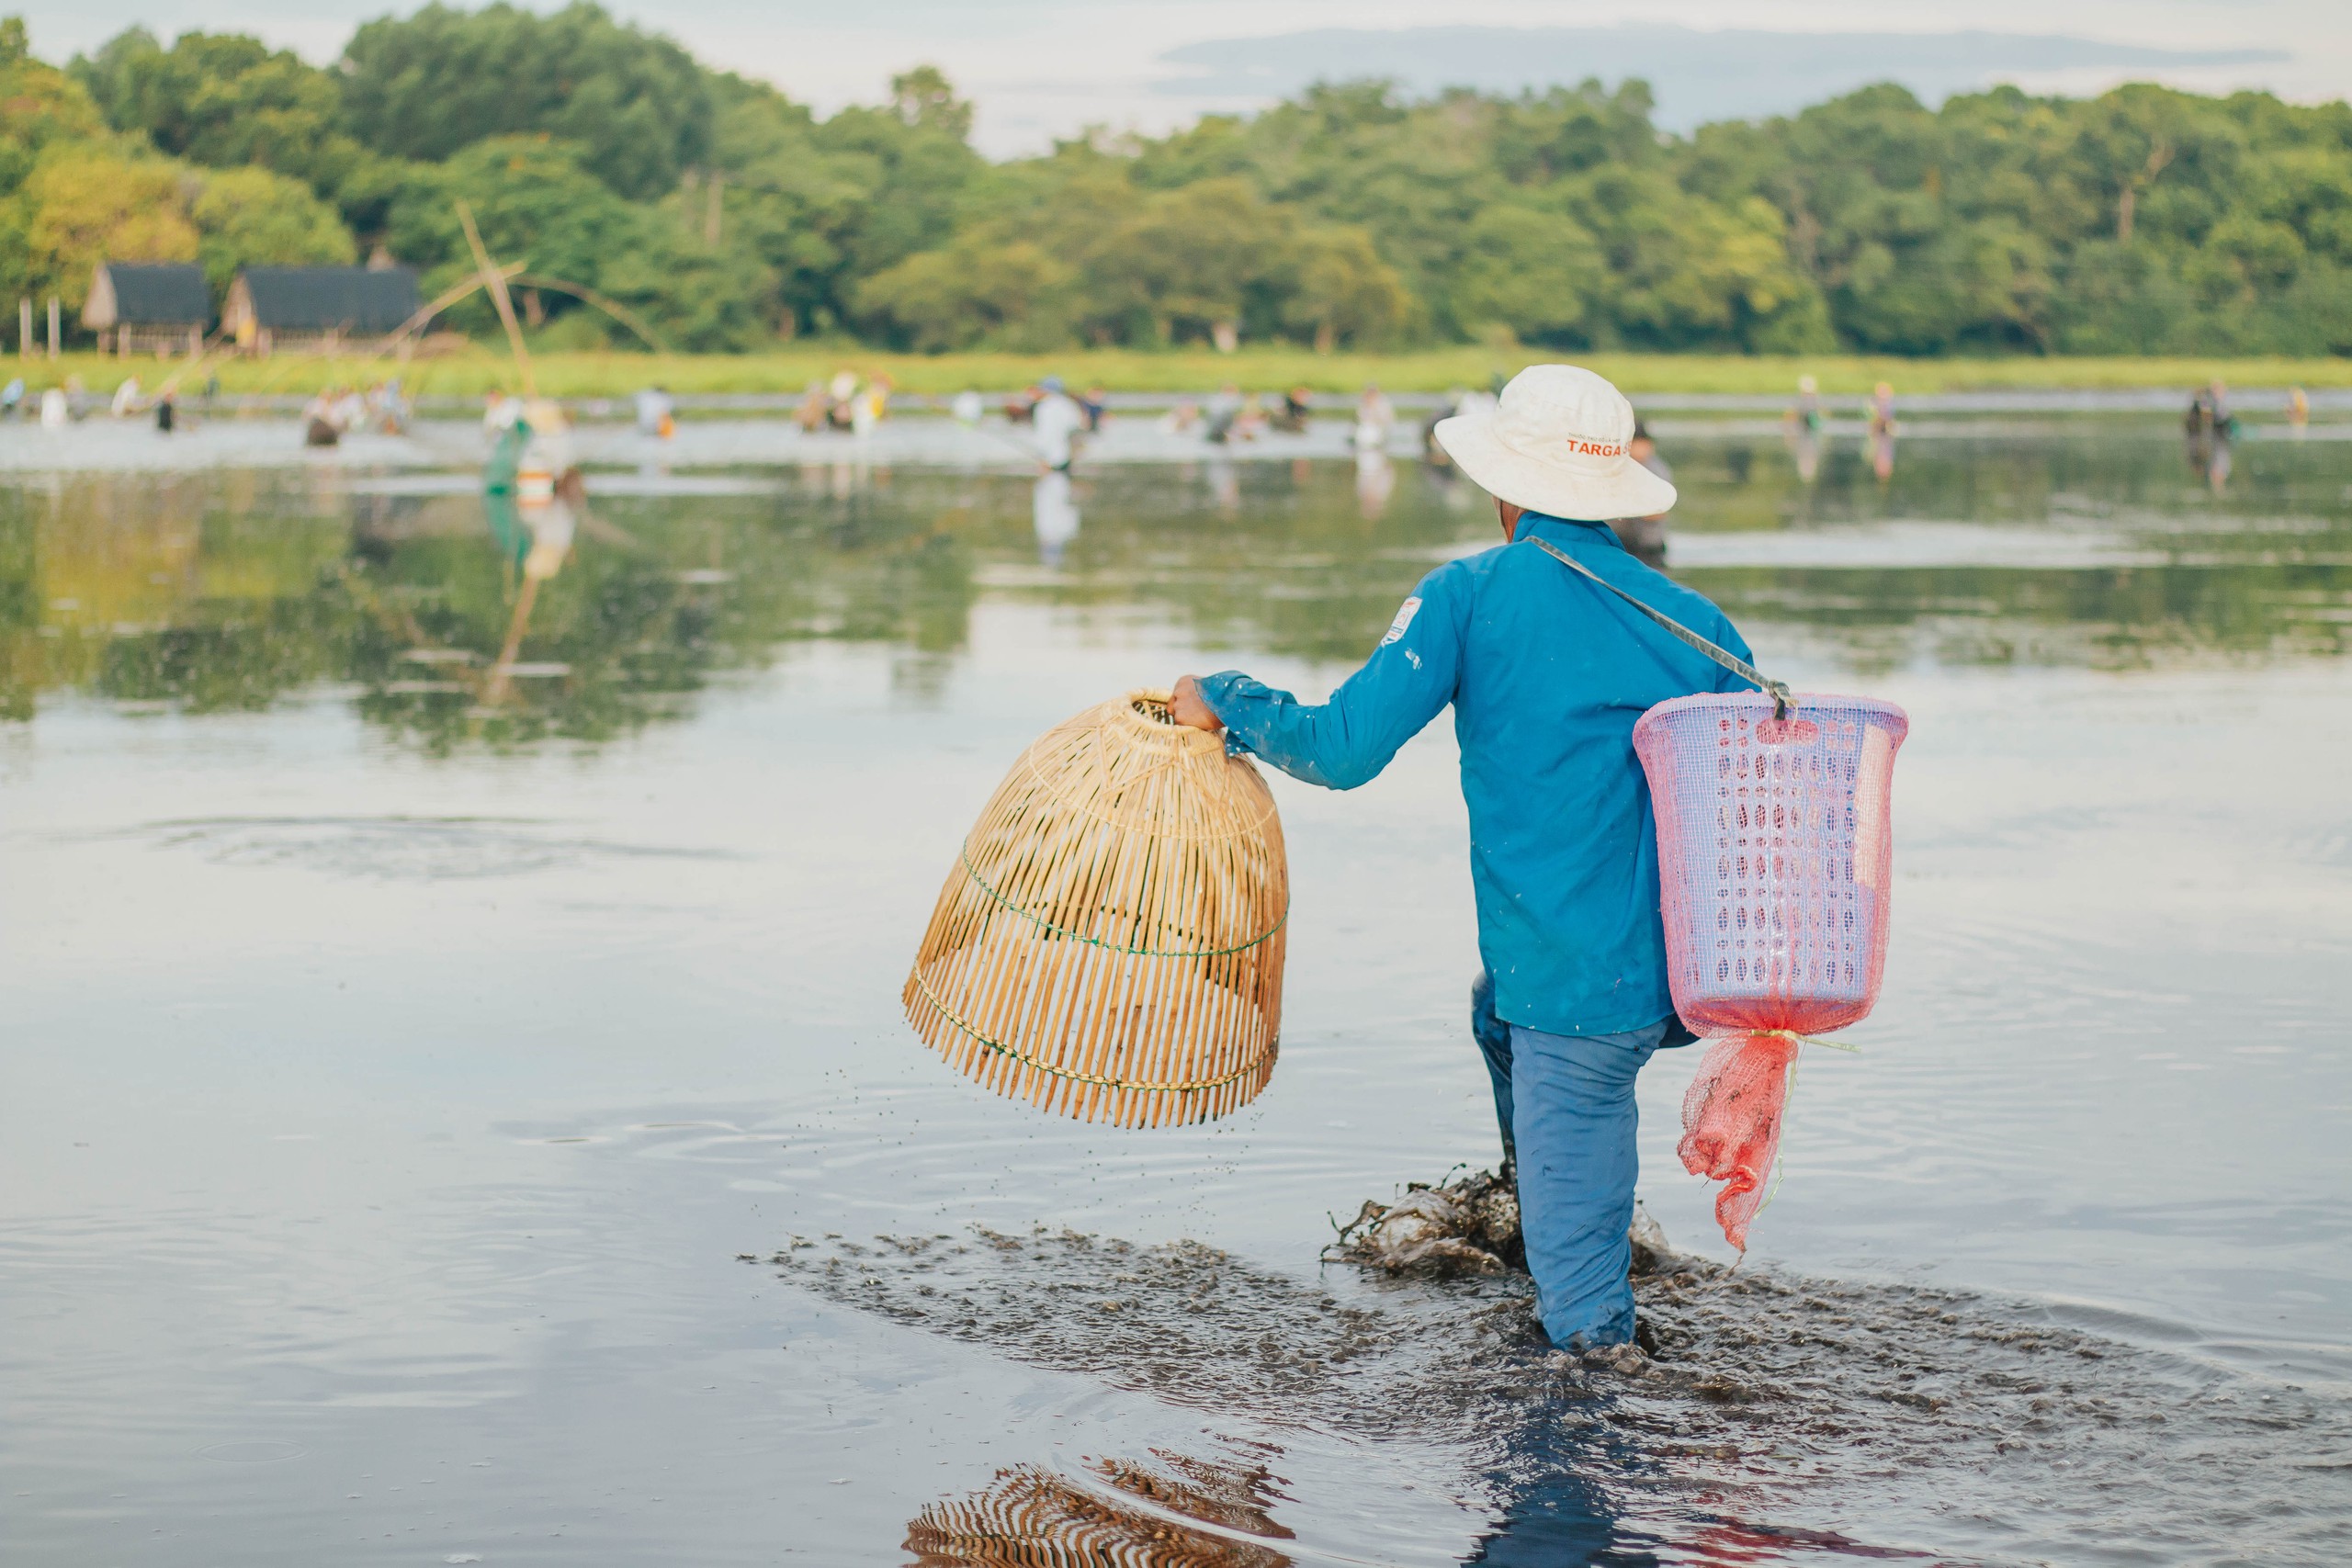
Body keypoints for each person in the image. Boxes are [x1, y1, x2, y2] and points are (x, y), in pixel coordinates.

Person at [1168, 365, 1755, 1351]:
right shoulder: (1696, 623)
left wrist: (1225, 695)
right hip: (1689, 981)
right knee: (1494, 1011)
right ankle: (1545, 1209)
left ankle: (1587, 1340)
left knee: (1585, 1335)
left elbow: (1342, 749)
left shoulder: (1470, 594)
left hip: (1579, 999)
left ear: (1508, 487)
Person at [1030, 375, 1085, 472]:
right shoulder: (1069, 405)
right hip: (1066, 455)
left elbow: (1042, 432)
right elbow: (1077, 426)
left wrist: (1040, 455)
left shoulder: (1042, 406)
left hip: (1047, 455)